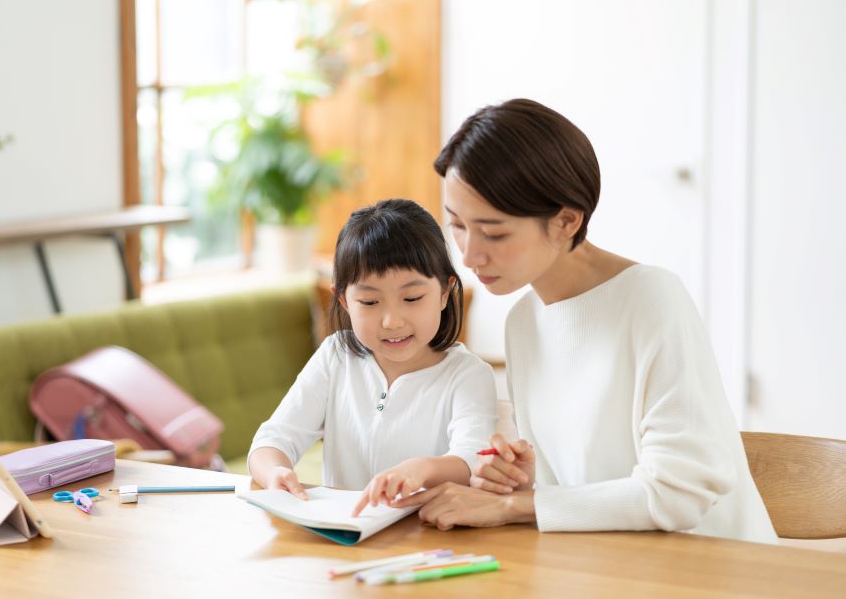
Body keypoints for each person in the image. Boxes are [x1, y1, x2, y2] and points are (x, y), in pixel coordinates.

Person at [394, 99, 777, 544]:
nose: (469, 254)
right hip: (608, 565)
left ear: (566, 221)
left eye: (494, 232)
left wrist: (513, 506)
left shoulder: (652, 300)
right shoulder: (523, 323)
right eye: (457, 225)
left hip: (710, 572)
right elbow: (585, 489)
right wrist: (525, 483)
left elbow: (679, 492)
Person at [247, 198, 498, 516]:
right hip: (345, 535)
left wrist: (421, 469)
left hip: (427, 536)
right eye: (369, 302)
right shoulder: (335, 356)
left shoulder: (467, 374)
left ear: (445, 293)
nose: (392, 320)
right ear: (344, 299)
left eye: (412, 297)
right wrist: (274, 473)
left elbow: (473, 459)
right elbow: (273, 439)